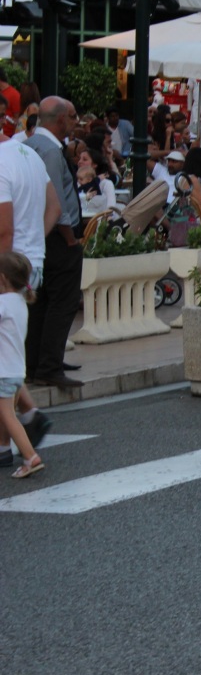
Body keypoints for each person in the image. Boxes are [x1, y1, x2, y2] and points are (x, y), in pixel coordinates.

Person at [0, 138, 58, 463]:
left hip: (8, 268)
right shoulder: (29, 156)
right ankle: (27, 418)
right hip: (30, 263)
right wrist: (34, 242)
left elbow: (4, 230)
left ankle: (17, 433)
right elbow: (55, 207)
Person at [25, 97, 83, 389]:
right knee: (62, 302)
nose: (75, 123)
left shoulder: (29, 145)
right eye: (72, 117)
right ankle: (48, 365)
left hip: (38, 235)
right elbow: (57, 202)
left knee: (42, 302)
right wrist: (70, 237)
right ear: (60, 120)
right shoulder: (49, 150)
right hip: (57, 238)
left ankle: (37, 363)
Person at [0, 252, 43, 477]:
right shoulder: (20, 302)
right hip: (17, 371)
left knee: (7, 415)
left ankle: (30, 456)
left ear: (2, 278)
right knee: (4, 413)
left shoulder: (3, 303)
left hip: (3, 372)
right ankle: (2, 449)